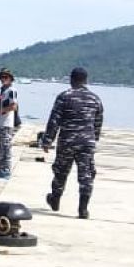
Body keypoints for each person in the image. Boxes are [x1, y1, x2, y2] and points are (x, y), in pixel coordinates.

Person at [42, 67, 104, 219]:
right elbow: (98, 122)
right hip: (86, 142)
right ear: (86, 80)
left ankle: (55, 199)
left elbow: (54, 120)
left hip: (67, 141)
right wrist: (93, 138)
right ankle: (83, 209)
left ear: (71, 80)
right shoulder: (95, 99)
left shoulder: (64, 96)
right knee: (86, 175)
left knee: (61, 171)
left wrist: (47, 140)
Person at [0, 68, 18, 179]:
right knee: (0, 147)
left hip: (7, 123)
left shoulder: (11, 90)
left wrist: (1, 111)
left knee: (6, 147)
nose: (3, 79)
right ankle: (0, 170)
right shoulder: (2, 91)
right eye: (2, 77)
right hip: (1, 123)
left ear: (10, 78)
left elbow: (13, 106)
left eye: (6, 77)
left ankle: (6, 170)